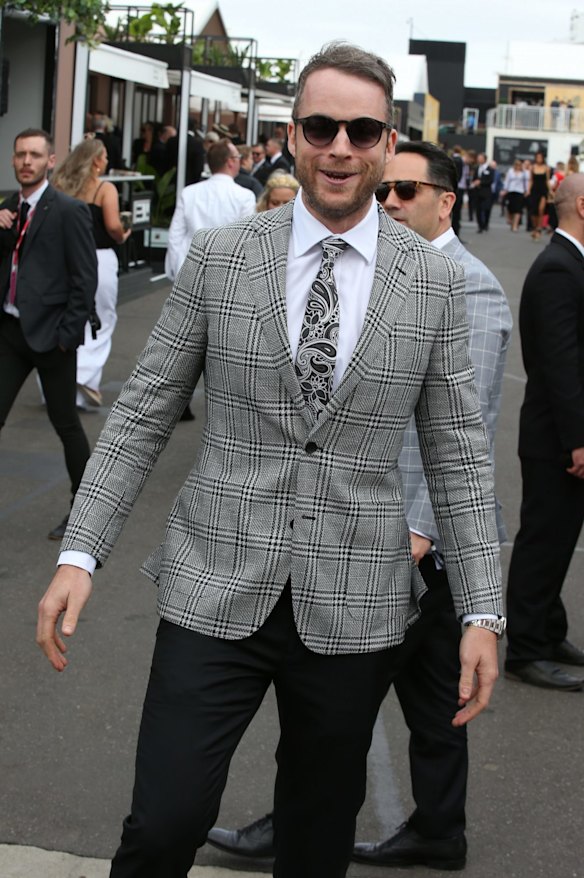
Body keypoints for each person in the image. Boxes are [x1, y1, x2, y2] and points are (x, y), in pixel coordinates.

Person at [37, 43, 503, 878]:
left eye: (362, 131)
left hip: (356, 604)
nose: (339, 147)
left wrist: (482, 612)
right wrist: (81, 549)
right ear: (291, 135)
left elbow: (459, 457)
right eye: (321, 126)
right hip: (214, 578)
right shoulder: (223, 257)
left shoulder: (434, 287)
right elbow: (143, 410)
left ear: (385, 142)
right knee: (164, 823)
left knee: (315, 839)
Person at [207, 140, 512, 871]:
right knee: (431, 695)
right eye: (390, 190)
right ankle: (438, 828)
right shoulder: (389, 268)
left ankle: (301, 827)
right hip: (385, 535)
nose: (392, 202)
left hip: (404, 545)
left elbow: (459, 433)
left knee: (334, 705)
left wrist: (414, 530)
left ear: (447, 198)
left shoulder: (465, 287)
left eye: (408, 191)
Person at [505, 173, 584, 692]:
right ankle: (526, 649)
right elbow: (560, 363)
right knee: (544, 541)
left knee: (558, 539)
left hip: (562, 432)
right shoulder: (559, 266)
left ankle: (549, 631)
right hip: (557, 435)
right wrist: (578, 439)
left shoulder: (568, 260)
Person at [0, 128, 97, 540]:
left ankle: (85, 509)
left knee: (65, 423)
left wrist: (67, 335)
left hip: (52, 336)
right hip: (11, 331)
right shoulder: (5, 208)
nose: (26, 161)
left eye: (35, 155)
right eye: (20, 154)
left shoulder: (68, 210)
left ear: (50, 161)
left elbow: (84, 279)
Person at [51, 138, 132, 410]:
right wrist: (124, 233)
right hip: (99, 259)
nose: (107, 160)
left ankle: (62, 383)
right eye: (105, 156)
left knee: (66, 316)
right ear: (96, 160)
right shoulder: (104, 188)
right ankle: (84, 378)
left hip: (64, 259)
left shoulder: (60, 185)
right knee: (101, 320)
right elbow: (113, 227)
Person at [164, 138, 256, 282]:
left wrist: (175, 269)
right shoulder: (245, 196)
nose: (239, 161)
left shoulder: (189, 193)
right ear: (230, 161)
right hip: (225, 273)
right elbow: (245, 240)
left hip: (188, 268)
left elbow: (175, 235)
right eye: (238, 157)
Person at [526, 151, 550, 240]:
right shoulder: (532, 167)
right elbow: (531, 180)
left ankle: (539, 228)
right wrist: (528, 190)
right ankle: (535, 227)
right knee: (533, 211)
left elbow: (547, 180)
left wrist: (550, 191)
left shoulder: (546, 168)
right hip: (534, 190)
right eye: (537, 157)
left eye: (540, 157)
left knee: (541, 209)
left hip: (543, 190)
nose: (539, 159)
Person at [502, 158, 529, 232]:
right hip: (511, 191)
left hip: (519, 191)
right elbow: (507, 181)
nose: (518, 166)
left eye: (519, 165)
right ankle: (511, 220)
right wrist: (505, 189)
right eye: (516, 165)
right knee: (510, 208)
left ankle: (515, 225)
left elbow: (526, 182)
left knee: (518, 209)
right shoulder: (511, 171)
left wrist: (527, 190)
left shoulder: (524, 173)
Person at [471, 153, 495, 233]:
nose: (479, 159)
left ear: (484, 159)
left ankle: (486, 224)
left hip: (486, 192)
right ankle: (480, 226)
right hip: (477, 192)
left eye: (480, 158)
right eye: (478, 158)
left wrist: (481, 182)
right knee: (478, 209)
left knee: (486, 209)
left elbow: (491, 180)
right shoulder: (477, 168)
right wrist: (475, 183)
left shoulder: (490, 169)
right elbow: (474, 178)